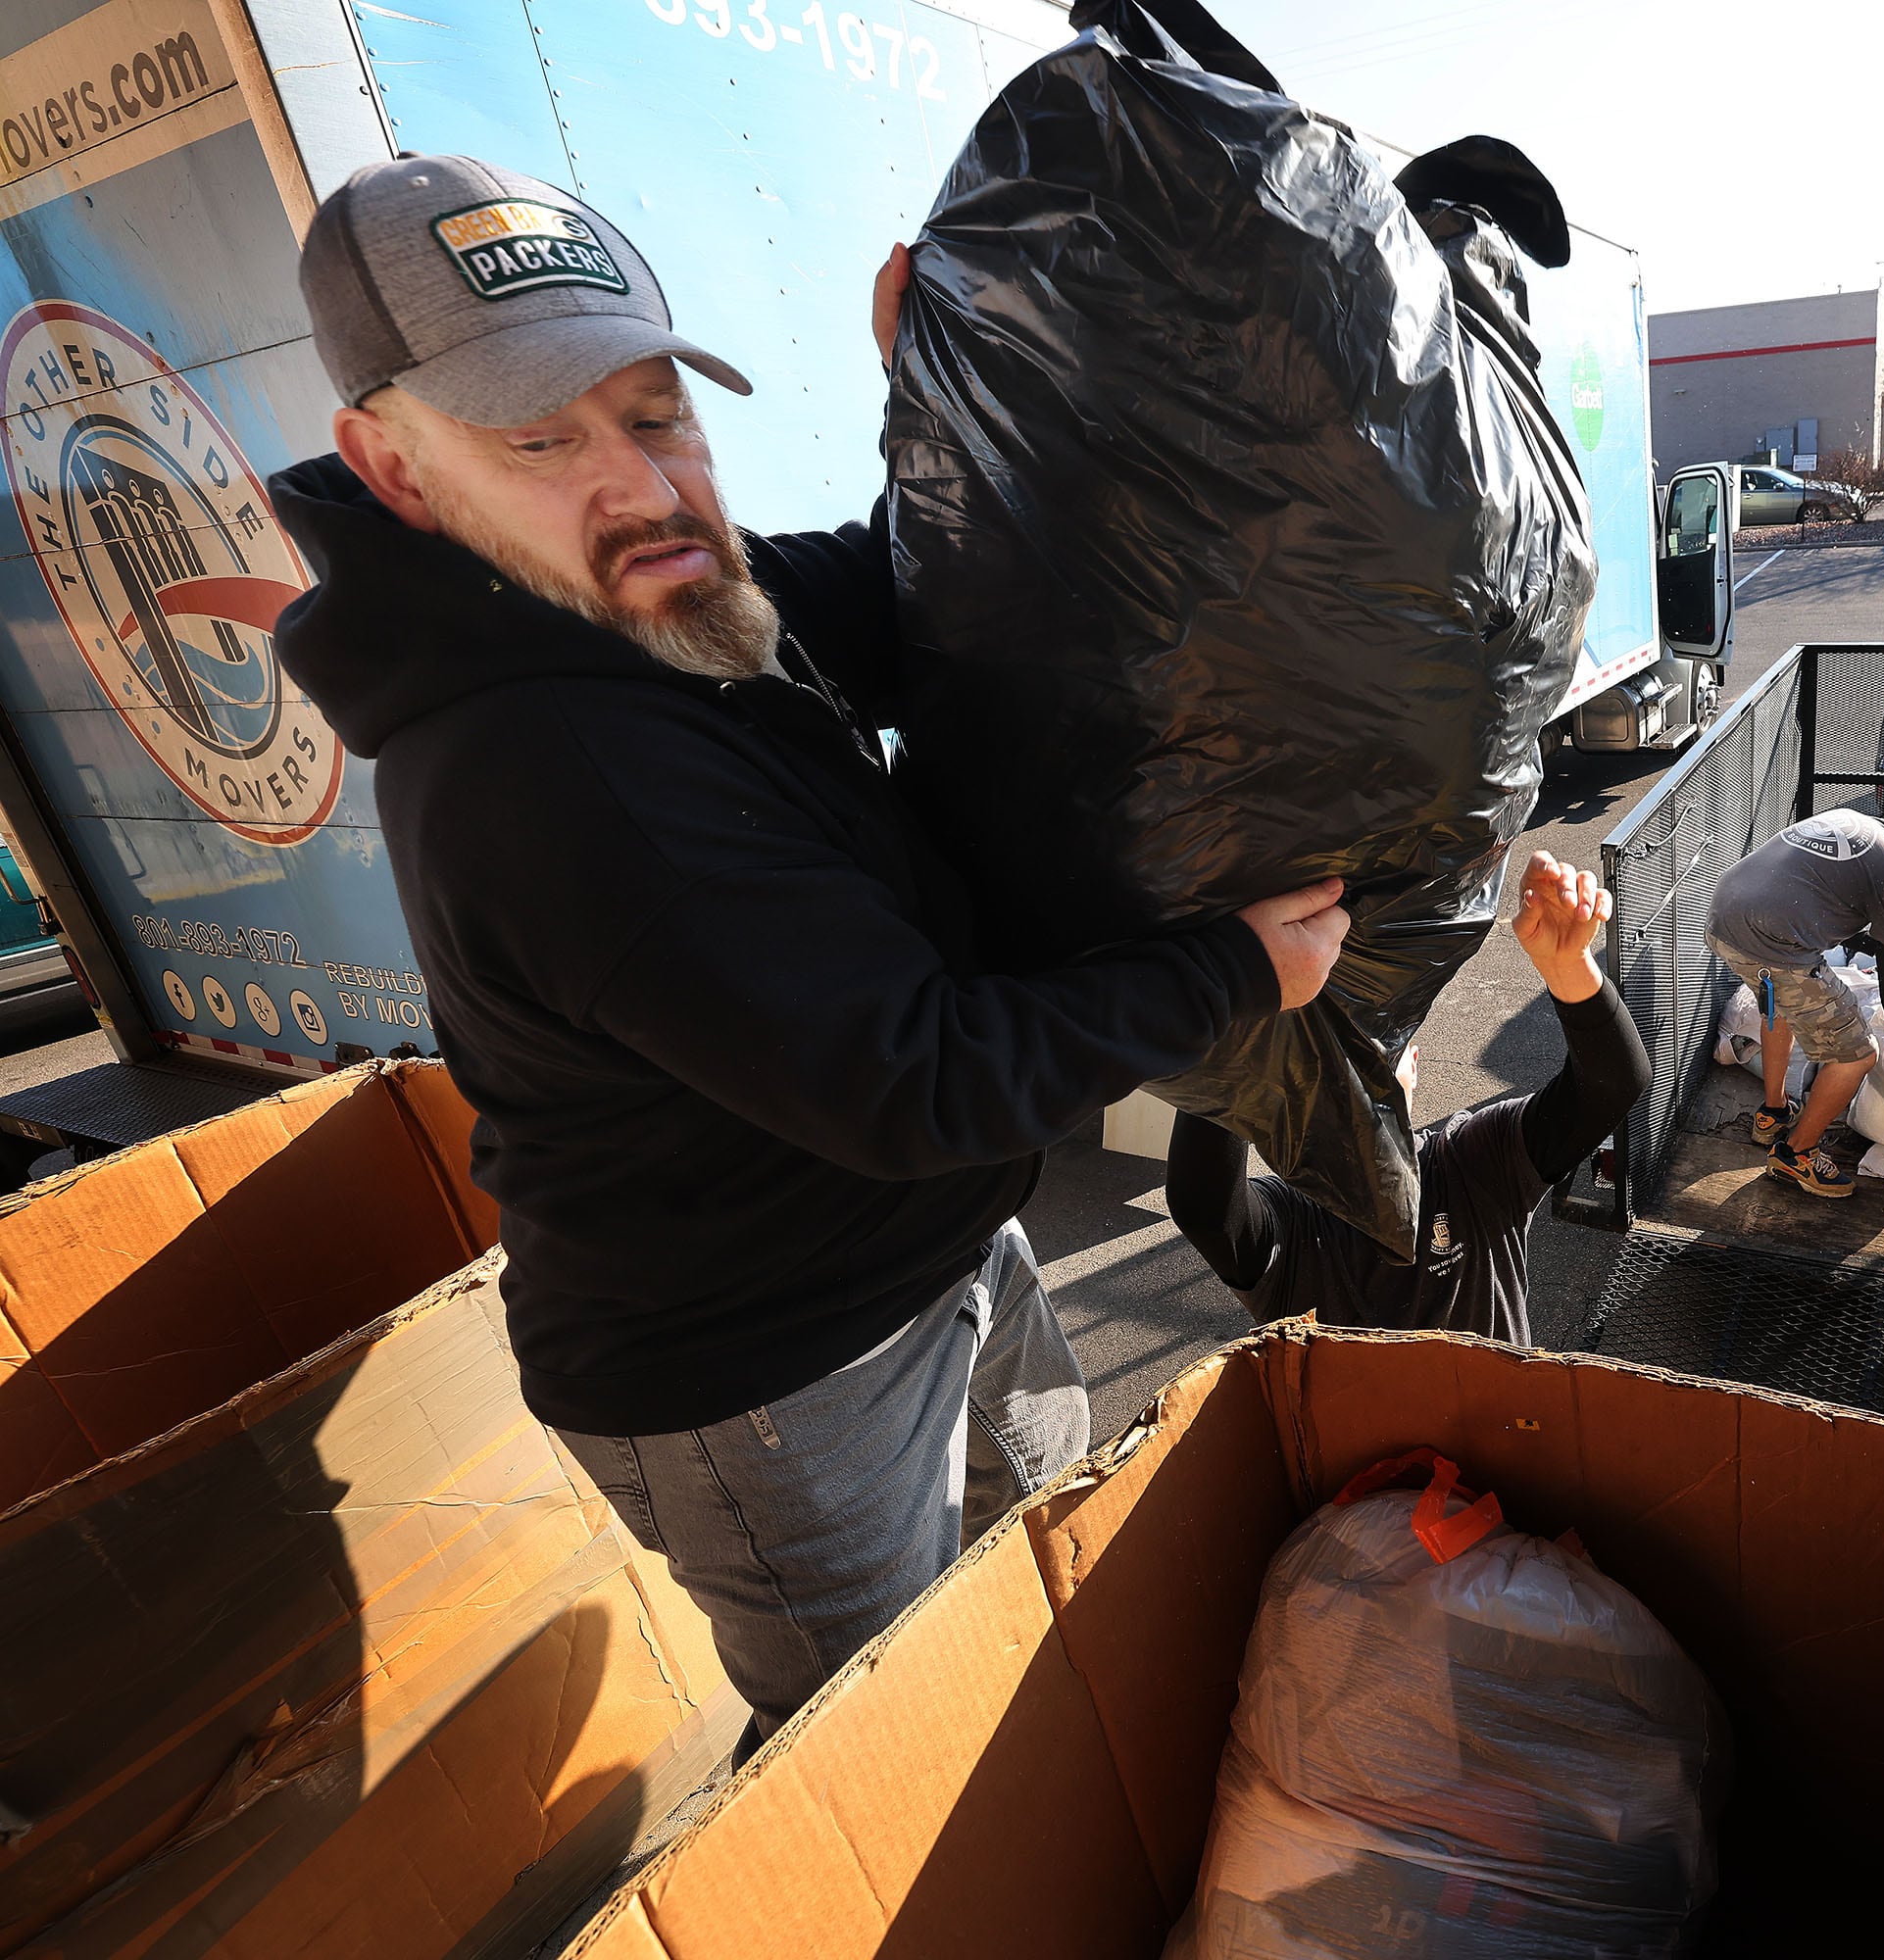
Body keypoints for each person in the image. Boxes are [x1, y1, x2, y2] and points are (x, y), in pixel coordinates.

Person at [271, 157, 1349, 1751]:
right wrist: (1234, 974)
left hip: (929, 1254)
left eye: (655, 415)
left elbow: (922, 595)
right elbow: (918, 1080)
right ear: (399, 468)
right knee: (892, 1754)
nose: (638, 486)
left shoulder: (646, 600)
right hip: (766, 1381)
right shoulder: (550, 777)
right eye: (539, 439)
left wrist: (969, 398)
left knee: (1053, 1611)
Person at [1165, 853, 1644, 1343]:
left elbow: (1611, 1086)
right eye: (1322, 1061)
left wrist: (1568, 969)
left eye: (1369, 1052)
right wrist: (1243, 1005)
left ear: (1411, 1060)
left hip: (1499, 1421)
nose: (1348, 1075)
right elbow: (1206, 1210)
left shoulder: (1473, 1165)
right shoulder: (1295, 1222)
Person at [1709, 807, 1884, 1200]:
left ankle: (1773, 1113)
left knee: (1780, 1007)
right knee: (1858, 1053)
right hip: (1773, 943)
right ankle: (1797, 1153)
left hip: (1725, 919)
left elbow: (1828, 909)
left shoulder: (1854, 821)